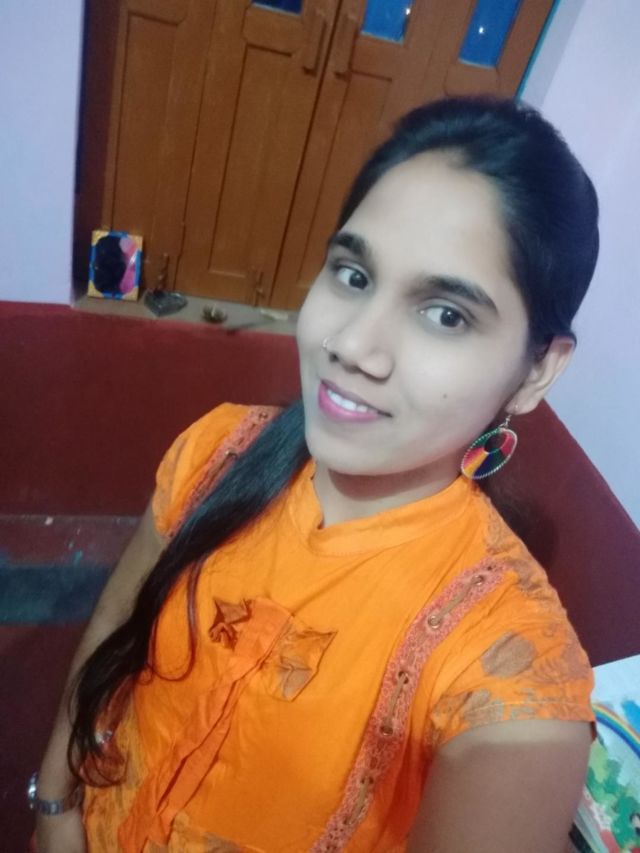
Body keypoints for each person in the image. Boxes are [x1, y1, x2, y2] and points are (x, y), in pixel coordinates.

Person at [33, 96, 600, 852]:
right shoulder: (219, 451)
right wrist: (53, 805)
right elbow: (115, 627)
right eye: (354, 274)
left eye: (445, 314)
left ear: (537, 371)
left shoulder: (511, 676)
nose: (354, 345)